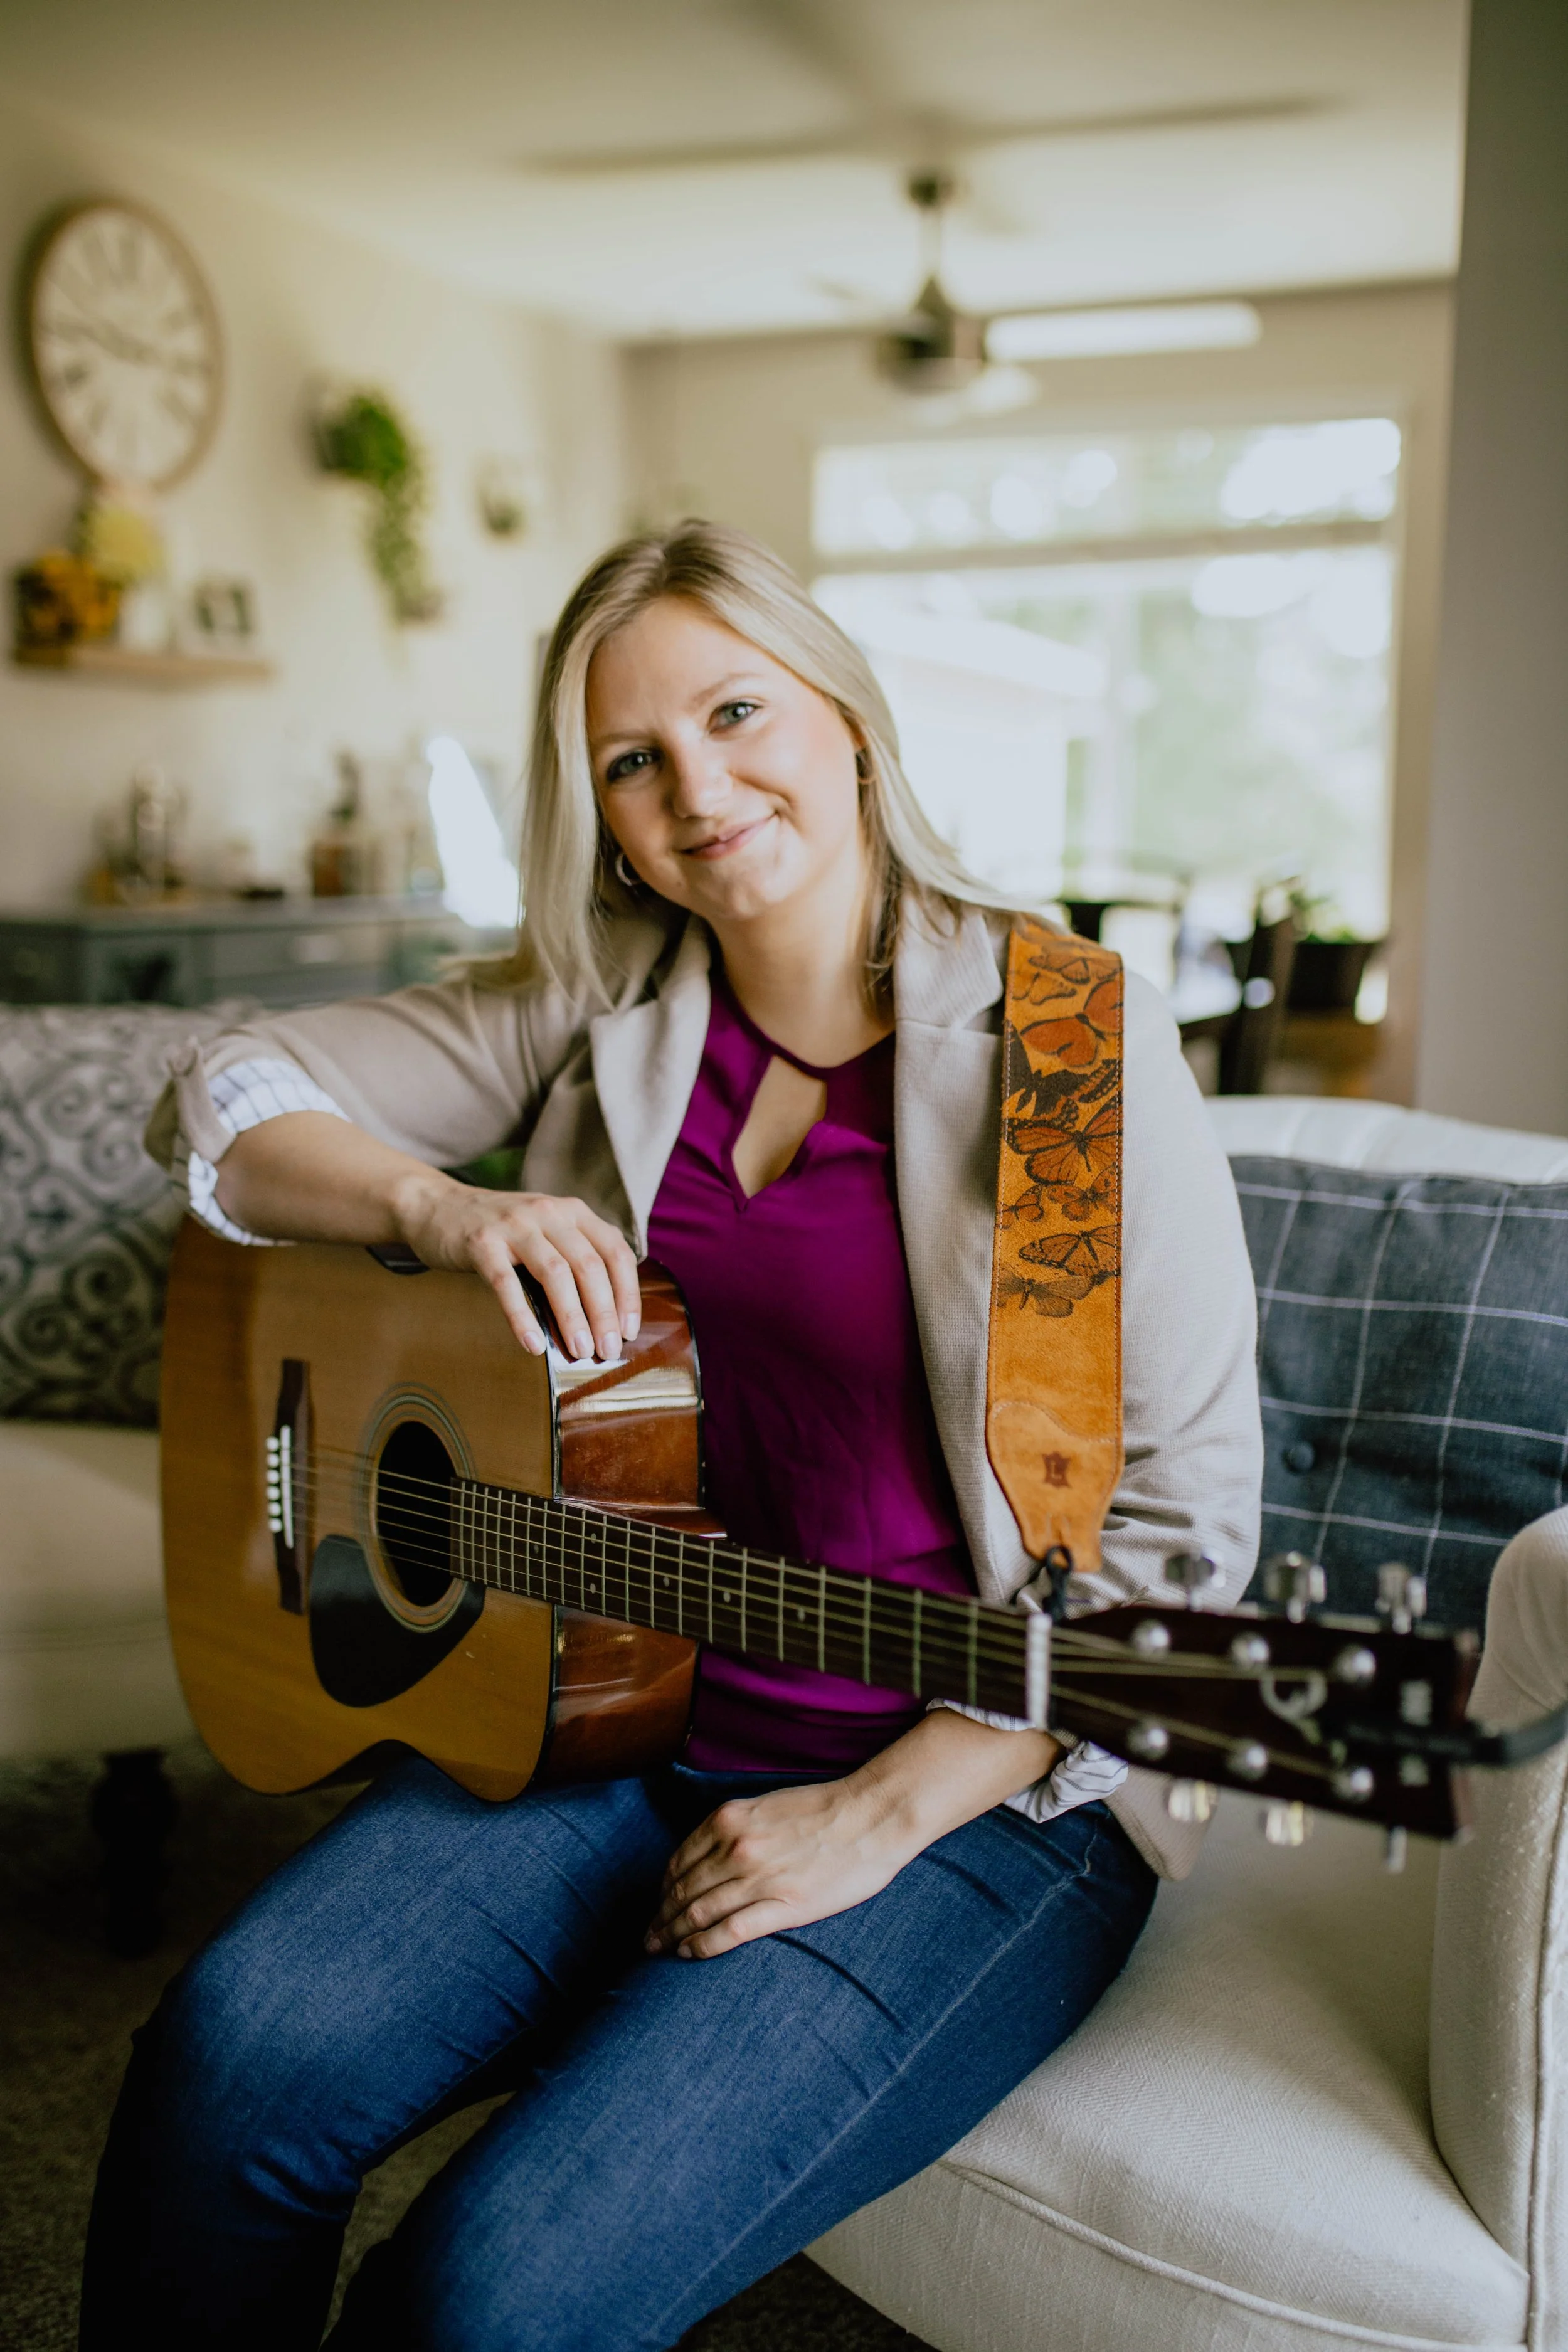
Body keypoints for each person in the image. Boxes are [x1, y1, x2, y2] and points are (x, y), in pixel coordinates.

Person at [83, 521, 1260, 2352]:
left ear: (846, 721)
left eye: (735, 712)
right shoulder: (598, 1001)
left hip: (972, 1793)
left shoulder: (1064, 1047)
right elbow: (222, 1096)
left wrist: (873, 1812)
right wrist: (444, 1210)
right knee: (226, 2060)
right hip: (609, 1706)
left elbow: (1185, 1548)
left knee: (486, 2291)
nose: (697, 789)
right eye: (633, 760)